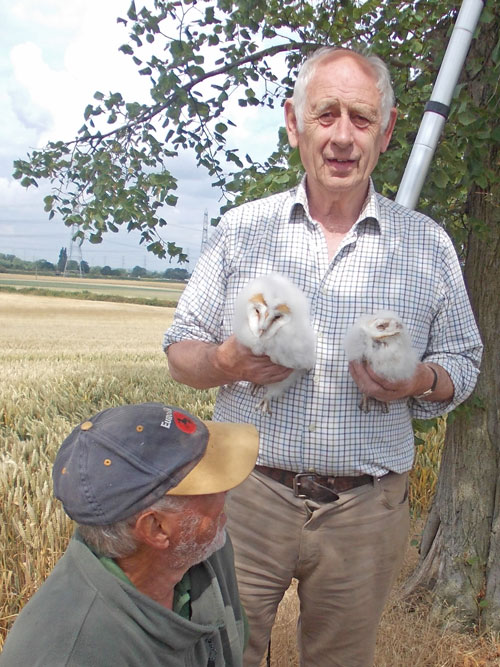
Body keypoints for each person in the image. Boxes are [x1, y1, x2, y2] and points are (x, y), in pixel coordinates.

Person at [163, 46, 483, 667]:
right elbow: (180, 351)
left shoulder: (427, 246)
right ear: (294, 122)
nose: (342, 136)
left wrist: (419, 379)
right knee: (219, 656)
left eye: (361, 119)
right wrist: (227, 362)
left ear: (387, 132)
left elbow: (465, 365)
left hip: (365, 510)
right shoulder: (243, 229)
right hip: (244, 497)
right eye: (326, 114)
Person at [0, 402, 259, 666]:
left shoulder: (203, 552)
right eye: (212, 485)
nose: (228, 492)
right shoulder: (72, 655)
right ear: (156, 528)